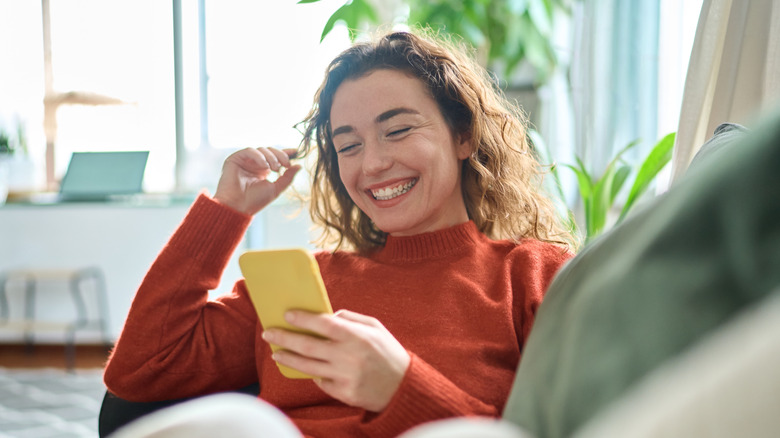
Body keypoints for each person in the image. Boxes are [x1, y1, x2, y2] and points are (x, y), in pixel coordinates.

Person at [103, 30, 576, 438]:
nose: (372, 164)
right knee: (239, 422)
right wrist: (225, 213)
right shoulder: (306, 287)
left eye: (397, 130)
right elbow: (140, 372)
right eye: (348, 145)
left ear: (463, 135)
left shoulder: (533, 275)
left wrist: (402, 387)